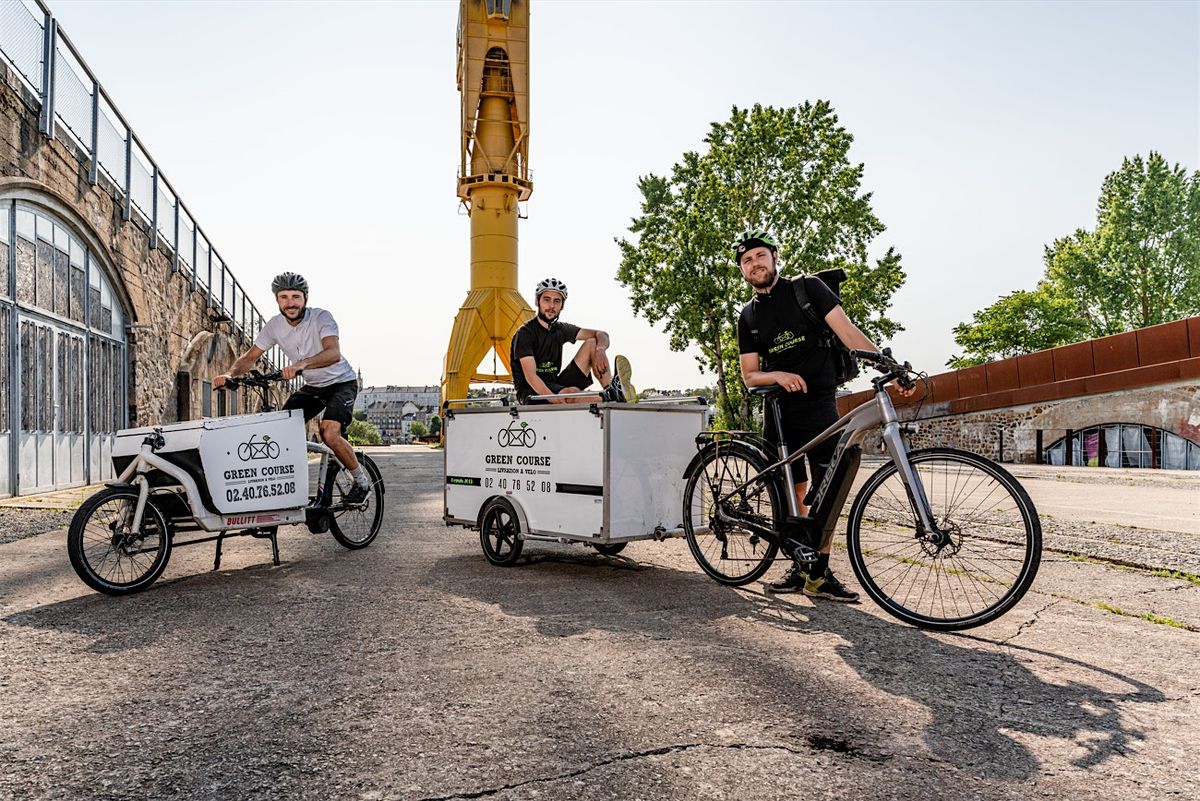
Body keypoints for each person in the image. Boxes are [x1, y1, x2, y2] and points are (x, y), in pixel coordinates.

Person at [735, 230, 911, 600]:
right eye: (747, 261)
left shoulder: (808, 289)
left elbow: (848, 333)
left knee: (826, 488)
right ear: (743, 271)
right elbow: (750, 374)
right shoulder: (748, 316)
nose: (755, 264)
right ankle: (804, 567)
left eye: (760, 256)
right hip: (779, 408)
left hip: (820, 403)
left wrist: (890, 365)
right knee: (795, 487)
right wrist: (778, 375)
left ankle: (818, 570)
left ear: (775, 257)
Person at [214, 272, 371, 504]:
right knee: (280, 431)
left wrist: (301, 364)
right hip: (314, 386)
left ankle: (361, 481)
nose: (290, 303)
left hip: (341, 382)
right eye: (284, 297)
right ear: (277, 300)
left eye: (296, 297)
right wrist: (230, 374)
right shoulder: (274, 326)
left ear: (305, 298)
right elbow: (250, 357)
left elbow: (333, 353)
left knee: (328, 432)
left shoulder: (321, 318)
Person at [510, 277, 635, 405]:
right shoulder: (525, 334)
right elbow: (531, 378)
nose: (551, 306)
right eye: (546, 300)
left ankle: (611, 389)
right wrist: (558, 399)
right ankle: (611, 397)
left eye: (557, 301)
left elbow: (601, 334)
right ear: (537, 301)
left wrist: (600, 350)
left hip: (556, 385)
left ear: (562, 305)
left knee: (592, 342)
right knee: (571, 392)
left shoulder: (561, 329)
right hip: (531, 393)